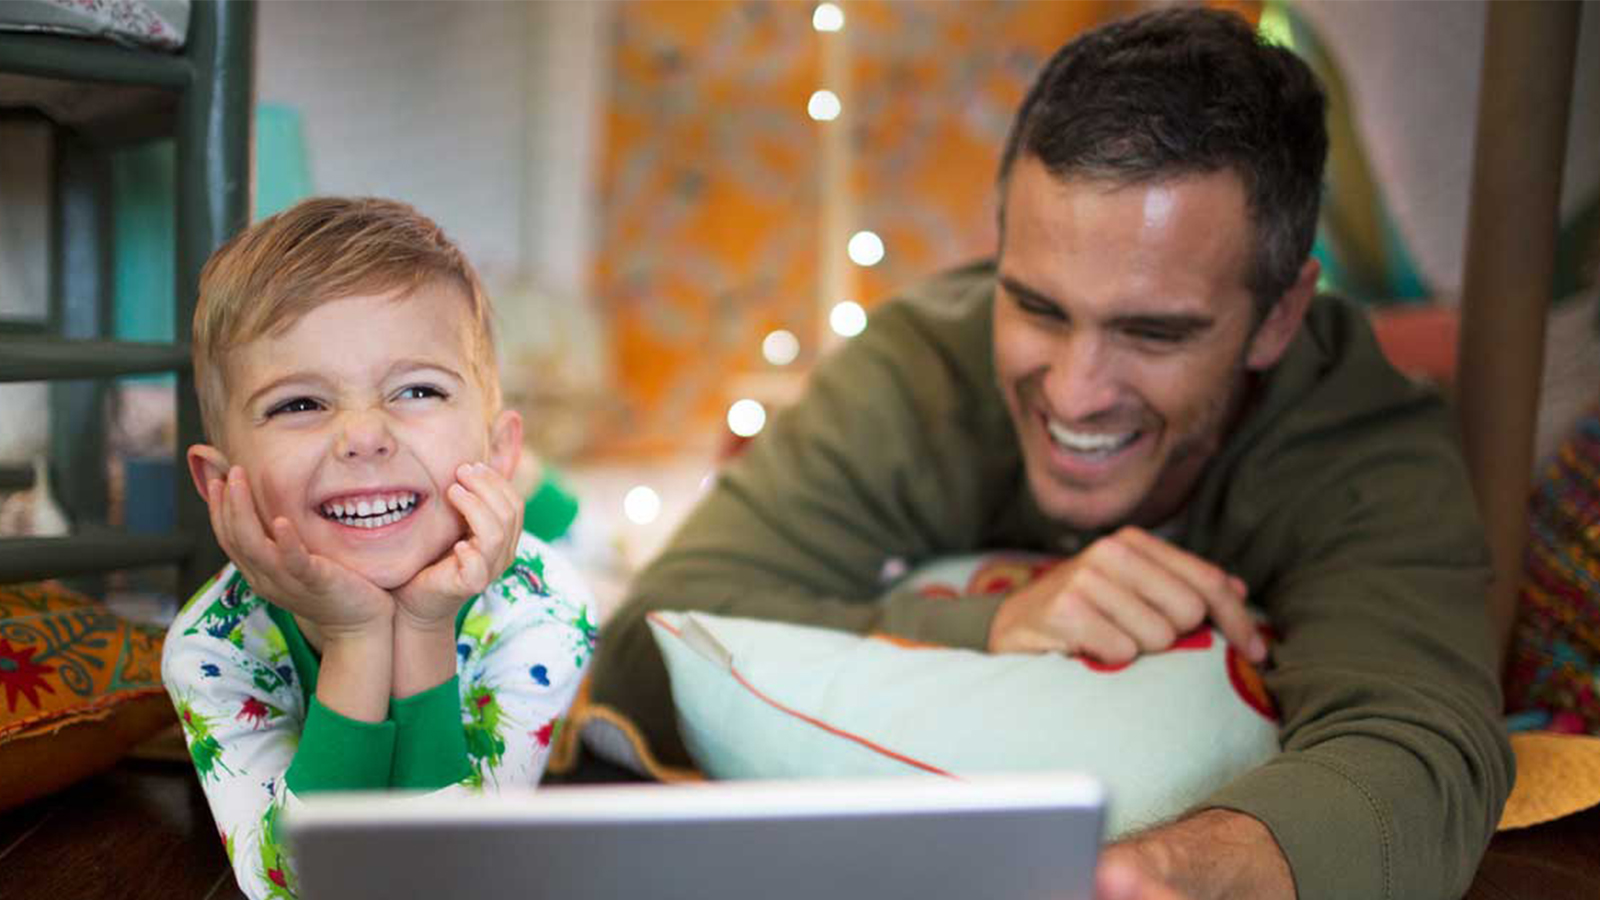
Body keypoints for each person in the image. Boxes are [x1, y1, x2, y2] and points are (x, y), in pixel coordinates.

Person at [591, 8, 1512, 900]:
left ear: (1278, 316)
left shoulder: (1364, 440)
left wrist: (1152, 875)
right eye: (1035, 307)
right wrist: (986, 624)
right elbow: (651, 638)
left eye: (1153, 332)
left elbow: (1421, 743)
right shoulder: (917, 367)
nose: (1075, 393)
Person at [162, 197, 598, 900]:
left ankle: (553, 499)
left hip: (530, 542)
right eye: (300, 404)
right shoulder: (212, 647)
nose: (364, 435)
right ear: (221, 484)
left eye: (417, 389)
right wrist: (357, 636)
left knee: (586, 530)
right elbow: (297, 888)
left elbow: (453, 880)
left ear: (496, 450)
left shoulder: (547, 608)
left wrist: (424, 625)